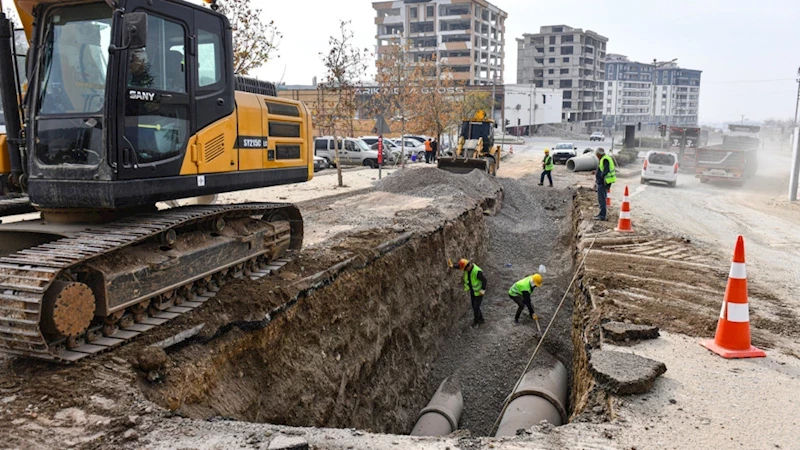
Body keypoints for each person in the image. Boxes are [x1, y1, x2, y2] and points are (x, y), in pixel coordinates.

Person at [451, 258, 487, 326]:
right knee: (475, 306)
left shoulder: (477, 271)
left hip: (479, 292)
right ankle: (481, 319)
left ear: (468, 266)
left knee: (476, 307)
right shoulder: (468, 268)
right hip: (473, 290)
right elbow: (460, 266)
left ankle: (476, 322)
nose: (464, 270)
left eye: (464, 269)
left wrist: (482, 290)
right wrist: (453, 266)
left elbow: (484, 281)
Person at [594, 147, 616, 221]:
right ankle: (601, 214)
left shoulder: (605, 159)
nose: (596, 156)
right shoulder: (604, 158)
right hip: (604, 182)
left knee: (602, 199)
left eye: (596, 154)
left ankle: (602, 216)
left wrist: (600, 178)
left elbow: (605, 171)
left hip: (604, 182)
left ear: (599, 154)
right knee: (602, 198)